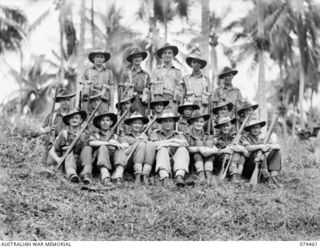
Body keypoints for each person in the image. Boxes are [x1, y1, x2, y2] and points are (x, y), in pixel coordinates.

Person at [48, 108, 93, 184]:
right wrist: (58, 159)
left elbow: (92, 146)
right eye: (72, 118)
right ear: (68, 120)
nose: (74, 120)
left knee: (88, 148)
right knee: (68, 151)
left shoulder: (86, 134)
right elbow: (52, 151)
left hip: (82, 162)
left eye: (76, 118)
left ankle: (86, 174)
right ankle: (72, 175)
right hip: (68, 163)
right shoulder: (63, 134)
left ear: (81, 121)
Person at [150, 109, 189, 187]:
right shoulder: (156, 133)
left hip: (175, 162)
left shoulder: (178, 134)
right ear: (161, 123)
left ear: (174, 122)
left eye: (170, 121)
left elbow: (185, 144)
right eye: (165, 121)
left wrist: (172, 143)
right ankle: (164, 177)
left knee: (182, 149)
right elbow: (153, 145)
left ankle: (179, 176)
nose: (168, 123)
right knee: (162, 149)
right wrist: (173, 141)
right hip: (161, 162)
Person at [241, 118, 282, 188]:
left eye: (257, 128)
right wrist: (260, 146)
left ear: (260, 129)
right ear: (249, 129)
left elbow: (272, 147)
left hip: (259, 166)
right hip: (248, 166)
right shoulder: (244, 138)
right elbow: (246, 148)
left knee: (277, 153)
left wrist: (272, 146)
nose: (255, 130)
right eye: (253, 128)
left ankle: (273, 177)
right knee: (258, 151)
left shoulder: (261, 140)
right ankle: (267, 178)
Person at [88, 112, 127, 186]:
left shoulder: (115, 136)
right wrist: (107, 143)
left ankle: (118, 176)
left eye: (107, 120)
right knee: (103, 147)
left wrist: (117, 143)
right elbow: (91, 143)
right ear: (99, 123)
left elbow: (126, 144)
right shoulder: (95, 134)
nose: (105, 122)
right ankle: (105, 176)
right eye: (103, 120)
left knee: (120, 148)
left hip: (113, 161)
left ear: (111, 123)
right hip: (100, 162)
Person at [119, 112, 156, 185]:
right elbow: (126, 151)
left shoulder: (146, 137)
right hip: (129, 163)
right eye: (135, 123)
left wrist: (146, 141)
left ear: (142, 125)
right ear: (130, 125)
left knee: (150, 144)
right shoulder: (124, 137)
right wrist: (137, 140)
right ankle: (138, 176)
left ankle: (145, 175)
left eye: (139, 123)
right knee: (141, 144)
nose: (137, 125)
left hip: (144, 162)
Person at [186, 110, 220, 186]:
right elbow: (187, 148)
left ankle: (208, 173)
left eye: (201, 122)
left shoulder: (207, 135)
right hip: (192, 161)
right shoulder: (187, 135)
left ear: (204, 123)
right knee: (199, 144)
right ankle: (200, 173)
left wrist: (210, 151)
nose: (199, 124)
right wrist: (199, 149)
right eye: (196, 121)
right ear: (192, 122)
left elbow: (216, 149)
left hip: (205, 159)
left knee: (209, 144)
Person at [213, 116, 248, 183]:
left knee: (238, 153)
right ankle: (234, 176)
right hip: (220, 162)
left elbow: (247, 154)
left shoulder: (236, 137)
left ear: (231, 126)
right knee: (234, 154)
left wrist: (241, 149)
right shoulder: (215, 138)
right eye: (223, 126)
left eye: (227, 125)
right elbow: (212, 153)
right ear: (220, 127)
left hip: (235, 161)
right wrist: (224, 150)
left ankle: (236, 175)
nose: (225, 128)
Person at [151, 43, 183, 114]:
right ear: (162, 55)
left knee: (171, 119)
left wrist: (178, 102)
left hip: (172, 99)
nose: (167, 55)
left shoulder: (177, 71)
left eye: (169, 53)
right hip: (159, 99)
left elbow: (180, 88)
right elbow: (152, 88)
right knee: (159, 120)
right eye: (165, 53)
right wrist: (153, 102)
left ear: (173, 55)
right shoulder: (156, 70)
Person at [120, 48, 151, 115]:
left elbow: (149, 91)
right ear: (131, 59)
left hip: (141, 103)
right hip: (128, 102)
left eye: (139, 57)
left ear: (142, 58)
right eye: (135, 57)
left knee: (140, 122)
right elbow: (121, 90)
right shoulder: (126, 73)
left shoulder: (146, 74)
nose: (137, 59)